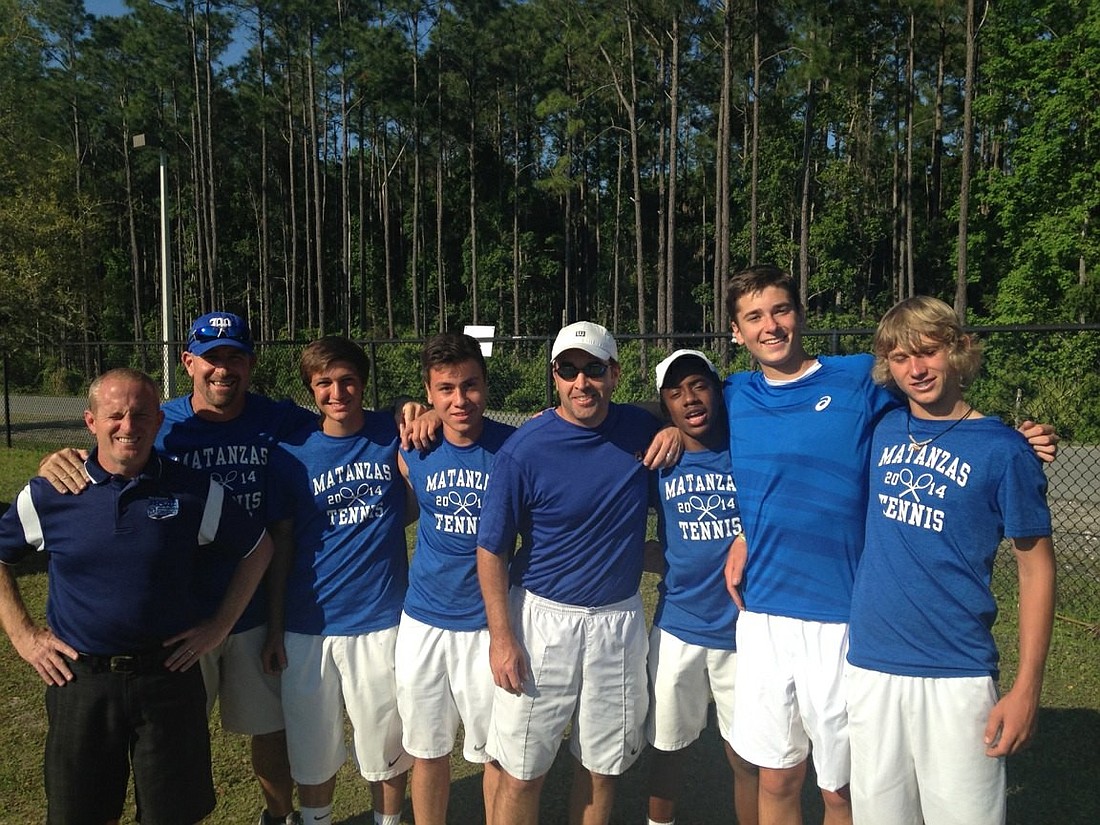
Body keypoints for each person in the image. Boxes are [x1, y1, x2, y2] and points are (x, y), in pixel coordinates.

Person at [720, 265, 1058, 825]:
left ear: (800, 315)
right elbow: (680, 416)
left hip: (846, 623)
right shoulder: (734, 392)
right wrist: (741, 529)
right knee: (778, 775)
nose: (771, 325)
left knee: (840, 791)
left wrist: (1014, 439)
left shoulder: (857, 382)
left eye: (781, 310)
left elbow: (951, 416)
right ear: (736, 332)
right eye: (754, 316)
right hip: (769, 615)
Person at [38, 311, 315, 825]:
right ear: (189, 362)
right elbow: (107, 451)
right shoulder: (155, 420)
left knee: (268, 728)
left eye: (235, 357)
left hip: (248, 611)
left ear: (250, 364)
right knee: (172, 752)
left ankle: (278, 817)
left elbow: (343, 416)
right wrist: (58, 460)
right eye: (212, 359)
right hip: (174, 626)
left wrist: (410, 411)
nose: (223, 370)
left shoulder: (278, 420)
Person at [0, 368, 274, 825]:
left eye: (142, 414)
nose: (129, 426)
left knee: (173, 814)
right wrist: (24, 636)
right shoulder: (52, 492)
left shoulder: (190, 490)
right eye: (116, 415)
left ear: (159, 421)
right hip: (80, 680)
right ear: (90, 422)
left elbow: (258, 547)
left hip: (168, 676)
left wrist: (219, 625)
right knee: (81, 813)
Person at [845, 296, 1055, 825]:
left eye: (928, 351)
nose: (915, 369)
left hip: (956, 672)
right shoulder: (881, 428)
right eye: (898, 358)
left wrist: (1028, 687)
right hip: (871, 664)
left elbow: (1036, 568)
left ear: (959, 349)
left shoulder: (1004, 450)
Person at [476, 320, 663, 825]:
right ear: (554, 376)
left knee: (602, 766)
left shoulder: (641, 430)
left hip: (617, 623)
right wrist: (501, 638)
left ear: (616, 374)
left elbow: (706, 406)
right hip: (542, 620)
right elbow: (491, 549)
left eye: (594, 369)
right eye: (569, 370)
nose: (582, 382)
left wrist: (671, 428)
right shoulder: (526, 447)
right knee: (522, 768)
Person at [264, 335, 413, 825]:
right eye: (324, 382)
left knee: (385, 746)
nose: (337, 392)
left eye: (347, 380)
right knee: (311, 749)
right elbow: (281, 544)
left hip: (379, 620)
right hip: (308, 625)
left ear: (363, 383)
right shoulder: (293, 452)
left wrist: (415, 408)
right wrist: (275, 625)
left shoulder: (390, 433)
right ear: (310, 389)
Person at [394, 332, 516, 825]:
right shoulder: (409, 447)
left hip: (489, 622)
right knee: (427, 749)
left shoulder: (515, 447)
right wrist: (408, 413)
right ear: (428, 393)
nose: (459, 399)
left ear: (486, 386)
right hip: (423, 620)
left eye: (469, 386)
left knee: (494, 753)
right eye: (445, 389)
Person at [644, 350, 758, 825]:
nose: (689, 399)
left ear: (716, 390)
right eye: (675, 392)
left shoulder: (748, 451)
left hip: (745, 630)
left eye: (698, 386)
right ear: (664, 405)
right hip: (678, 626)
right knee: (666, 747)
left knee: (749, 754)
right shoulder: (658, 461)